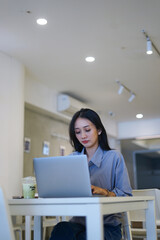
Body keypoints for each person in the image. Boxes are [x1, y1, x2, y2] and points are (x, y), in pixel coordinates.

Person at [50, 108, 132, 240]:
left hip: (107, 225)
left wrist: (105, 192)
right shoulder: (72, 158)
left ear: (99, 130)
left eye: (87, 130)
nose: (82, 136)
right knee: (61, 228)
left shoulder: (114, 157)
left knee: (85, 237)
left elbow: (126, 194)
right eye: (78, 132)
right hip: (79, 223)